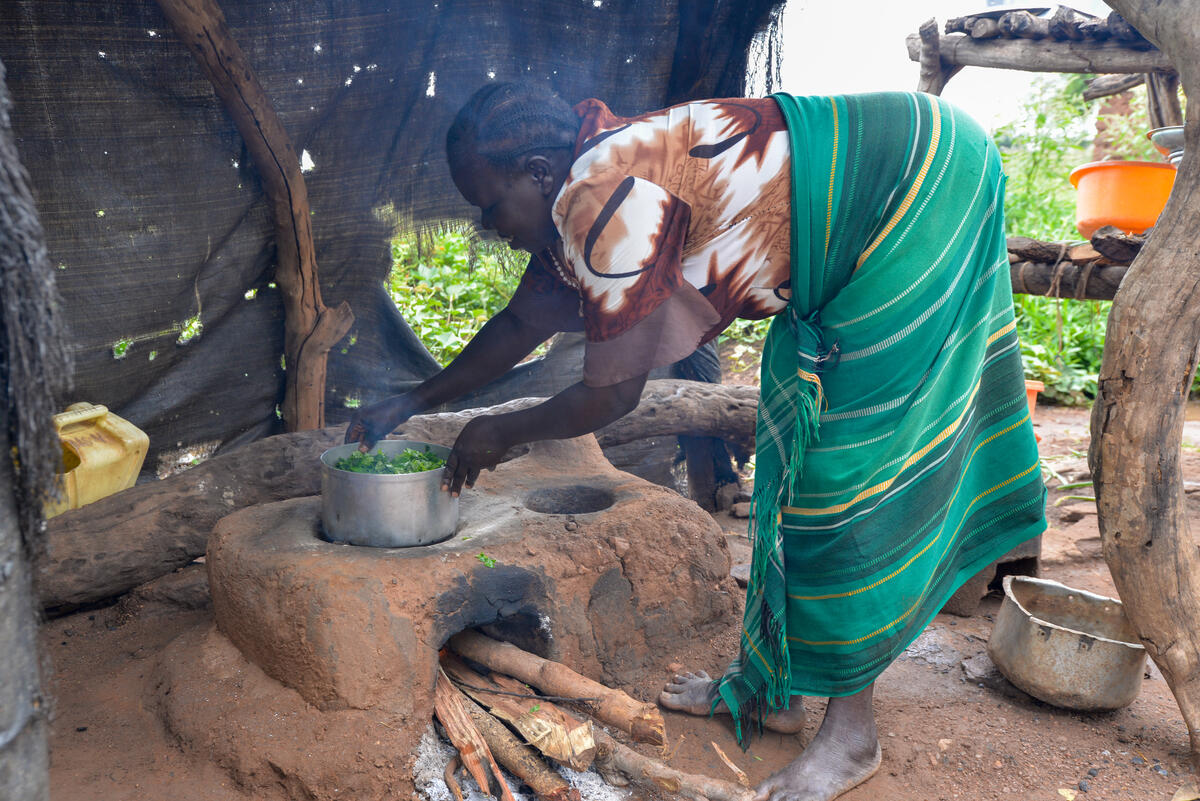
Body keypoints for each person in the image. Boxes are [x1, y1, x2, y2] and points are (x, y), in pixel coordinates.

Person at [346, 82, 1046, 801]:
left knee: (843, 470)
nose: (487, 227)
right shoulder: (582, 182)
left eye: (489, 205)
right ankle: (775, 686)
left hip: (918, 181)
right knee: (790, 443)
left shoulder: (600, 193)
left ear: (536, 170)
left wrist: (502, 430)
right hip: (883, 190)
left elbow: (614, 394)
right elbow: (520, 324)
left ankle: (851, 734)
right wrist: (412, 399)